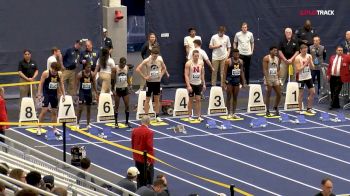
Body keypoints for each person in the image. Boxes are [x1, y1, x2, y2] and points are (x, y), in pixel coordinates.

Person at [136, 47, 167, 122]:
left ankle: (157, 116)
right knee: (147, 99)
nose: (155, 57)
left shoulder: (159, 59)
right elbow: (138, 69)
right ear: (151, 54)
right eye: (154, 56)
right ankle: (146, 116)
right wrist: (145, 77)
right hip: (149, 83)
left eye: (156, 56)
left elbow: (164, 68)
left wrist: (161, 75)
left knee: (157, 99)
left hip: (157, 82)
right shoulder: (147, 60)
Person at [36, 62, 64, 139]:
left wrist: (63, 94)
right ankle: (39, 127)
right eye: (53, 70)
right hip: (46, 94)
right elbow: (41, 84)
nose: (54, 72)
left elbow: (61, 84)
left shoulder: (60, 74)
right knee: (44, 111)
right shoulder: (46, 73)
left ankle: (54, 129)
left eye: (55, 71)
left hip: (54, 94)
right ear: (51, 68)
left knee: (54, 112)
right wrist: (39, 94)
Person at [131, 115, 154, 188]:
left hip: (137, 158)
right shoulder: (149, 132)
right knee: (148, 179)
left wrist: (134, 155)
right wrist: (150, 160)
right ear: (149, 122)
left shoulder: (134, 130)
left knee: (139, 178)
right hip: (145, 159)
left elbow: (132, 143)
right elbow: (149, 147)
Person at [223, 49, 246, 119]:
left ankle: (234, 113)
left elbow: (241, 72)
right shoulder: (228, 61)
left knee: (235, 97)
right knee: (229, 96)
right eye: (235, 54)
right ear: (232, 54)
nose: (237, 55)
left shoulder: (241, 61)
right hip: (229, 81)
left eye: (238, 54)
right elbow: (224, 72)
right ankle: (228, 113)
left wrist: (243, 82)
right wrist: (223, 83)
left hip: (237, 81)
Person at [185, 50, 205, 121]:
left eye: (197, 56)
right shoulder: (188, 63)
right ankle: (189, 115)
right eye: (195, 56)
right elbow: (186, 75)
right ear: (192, 56)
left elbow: (202, 73)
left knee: (198, 100)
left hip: (198, 83)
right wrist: (188, 85)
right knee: (190, 100)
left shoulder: (201, 62)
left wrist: (204, 83)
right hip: (191, 83)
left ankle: (198, 115)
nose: (196, 57)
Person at [295, 44, 316, 114]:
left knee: (313, 92)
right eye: (303, 51)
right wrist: (305, 63)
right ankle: (300, 109)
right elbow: (298, 70)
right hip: (301, 78)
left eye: (306, 51)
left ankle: (309, 108)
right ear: (300, 50)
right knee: (301, 94)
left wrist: (310, 62)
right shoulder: (297, 58)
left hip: (308, 77)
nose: (305, 52)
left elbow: (313, 67)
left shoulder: (309, 56)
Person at [75, 63, 97, 130]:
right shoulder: (80, 74)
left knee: (89, 109)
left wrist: (95, 92)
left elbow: (94, 83)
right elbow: (76, 84)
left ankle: (88, 124)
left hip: (89, 93)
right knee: (80, 108)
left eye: (90, 67)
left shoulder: (92, 74)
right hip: (82, 92)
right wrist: (76, 92)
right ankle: (77, 123)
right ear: (84, 68)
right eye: (88, 67)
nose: (89, 69)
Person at [111, 57, 132, 128]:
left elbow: (128, 76)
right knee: (117, 106)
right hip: (117, 89)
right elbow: (112, 80)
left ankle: (126, 122)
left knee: (127, 105)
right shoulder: (115, 69)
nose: (123, 66)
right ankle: (116, 123)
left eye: (124, 64)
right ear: (119, 63)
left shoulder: (126, 68)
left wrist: (130, 85)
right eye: (122, 64)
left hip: (125, 88)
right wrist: (112, 89)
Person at [262, 46, 281, 116]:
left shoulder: (277, 59)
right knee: (268, 95)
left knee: (279, 94)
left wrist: (279, 79)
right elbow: (265, 69)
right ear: (270, 51)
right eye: (274, 51)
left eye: (276, 51)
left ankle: (275, 107)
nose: (276, 52)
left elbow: (278, 69)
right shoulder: (266, 58)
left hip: (275, 78)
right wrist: (267, 80)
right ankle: (267, 110)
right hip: (268, 78)